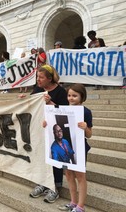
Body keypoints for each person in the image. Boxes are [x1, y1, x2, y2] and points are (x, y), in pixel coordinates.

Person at [29, 64, 68, 203]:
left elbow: (65, 111)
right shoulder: (38, 89)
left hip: (56, 131)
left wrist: (50, 102)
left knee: (55, 156)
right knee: (42, 155)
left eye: (41, 77)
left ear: (50, 78)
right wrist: (24, 98)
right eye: (37, 77)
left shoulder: (61, 92)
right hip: (40, 129)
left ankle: (55, 187)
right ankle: (43, 182)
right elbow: (31, 102)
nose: (38, 80)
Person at [58, 83, 92, 212]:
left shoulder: (86, 112)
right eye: (69, 95)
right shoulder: (63, 109)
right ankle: (73, 202)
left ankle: (80, 206)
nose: (71, 98)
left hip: (80, 148)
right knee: (68, 175)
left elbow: (89, 135)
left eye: (74, 96)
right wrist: (47, 123)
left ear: (82, 97)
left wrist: (85, 128)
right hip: (66, 148)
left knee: (80, 176)